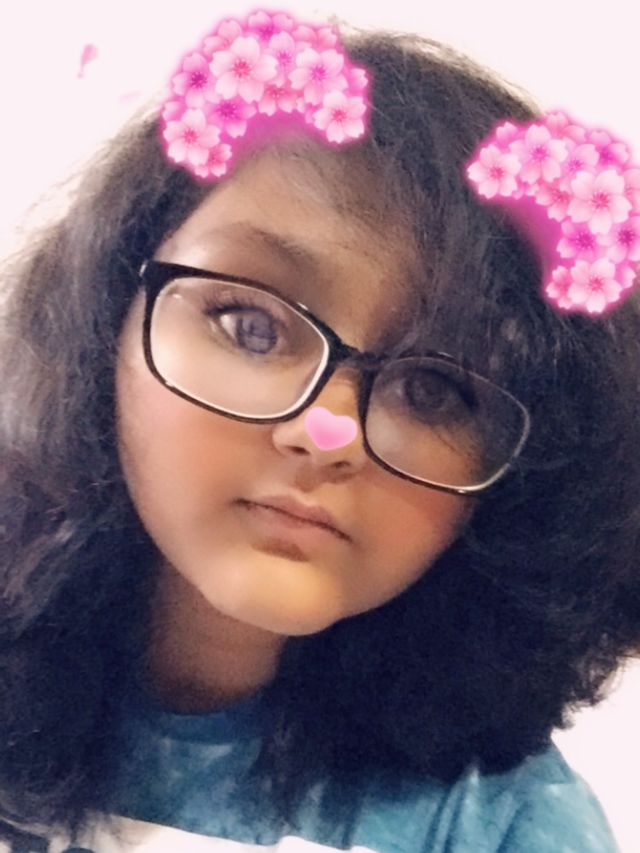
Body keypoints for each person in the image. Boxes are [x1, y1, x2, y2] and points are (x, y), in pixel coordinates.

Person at [0, 14, 639, 853]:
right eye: (251, 325)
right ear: (106, 315)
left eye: (432, 391)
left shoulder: (504, 826)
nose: (328, 431)